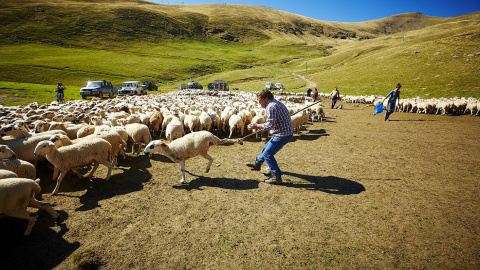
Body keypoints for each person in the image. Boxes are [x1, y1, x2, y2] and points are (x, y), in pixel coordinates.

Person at [246, 89, 294, 184]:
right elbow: (273, 123)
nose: (259, 103)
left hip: (282, 134)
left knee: (268, 154)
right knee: (266, 147)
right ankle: (258, 163)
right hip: (283, 132)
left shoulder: (271, 106)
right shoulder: (275, 103)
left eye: (260, 101)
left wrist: (256, 126)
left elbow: (270, 125)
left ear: (266, 99)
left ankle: (277, 177)